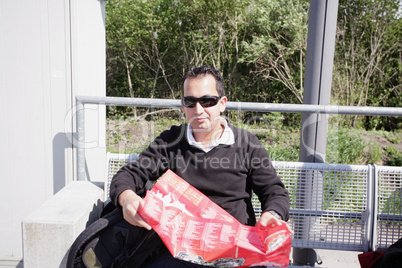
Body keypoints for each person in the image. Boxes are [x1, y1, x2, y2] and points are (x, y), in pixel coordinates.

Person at [110, 65, 290, 267]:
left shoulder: (247, 144)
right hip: (179, 251)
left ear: (222, 103)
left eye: (207, 101)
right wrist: (126, 197)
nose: (198, 110)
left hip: (234, 252)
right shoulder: (171, 141)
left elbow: (274, 192)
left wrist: (272, 214)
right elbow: (130, 174)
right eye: (190, 101)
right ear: (182, 106)